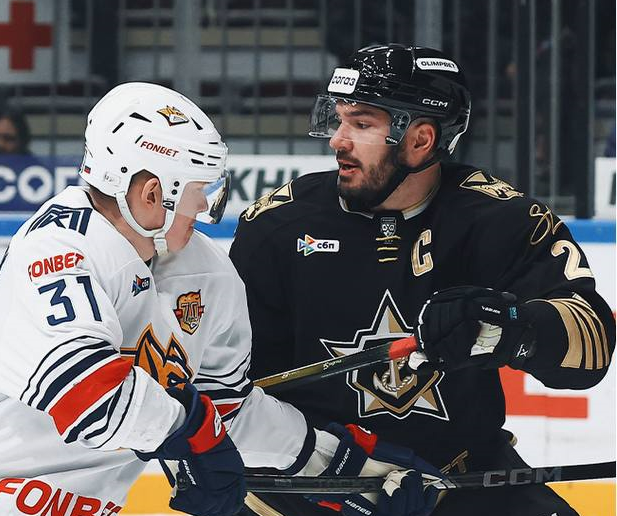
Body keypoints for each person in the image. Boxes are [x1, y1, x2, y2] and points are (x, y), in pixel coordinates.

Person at [0, 81, 436, 516]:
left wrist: (342, 464)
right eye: (198, 191)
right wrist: (196, 433)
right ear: (149, 192)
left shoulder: (207, 273)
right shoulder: (59, 245)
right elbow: (83, 390)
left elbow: (227, 411)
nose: (206, 207)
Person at [229, 43, 615, 516]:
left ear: (419, 140)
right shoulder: (278, 225)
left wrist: (509, 328)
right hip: (309, 482)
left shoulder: (500, 219)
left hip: (460, 479)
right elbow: (227, 383)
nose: (338, 141)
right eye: (339, 119)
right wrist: (325, 473)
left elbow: (591, 345)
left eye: (361, 124)